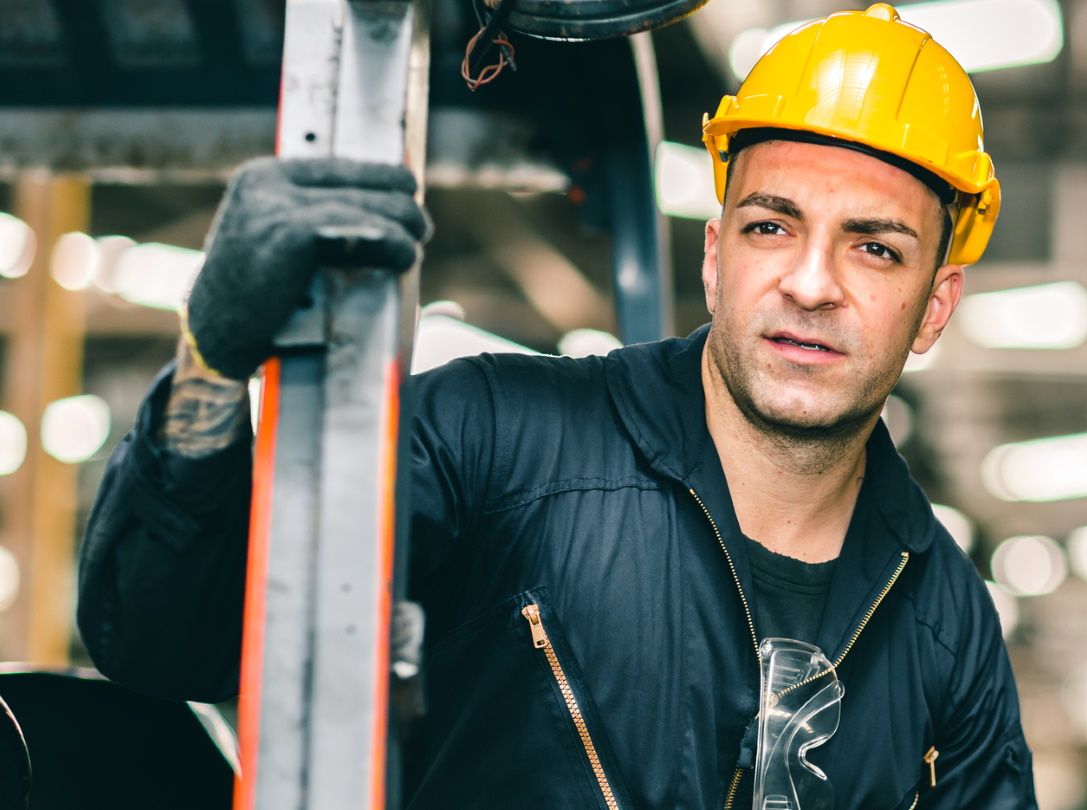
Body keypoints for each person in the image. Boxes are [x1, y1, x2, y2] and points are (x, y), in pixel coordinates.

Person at [76, 4, 1034, 808]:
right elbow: (164, 639)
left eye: (875, 248)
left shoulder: (944, 615)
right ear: (714, 255)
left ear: (934, 305)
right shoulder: (493, 442)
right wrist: (210, 363)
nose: (811, 283)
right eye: (772, 225)